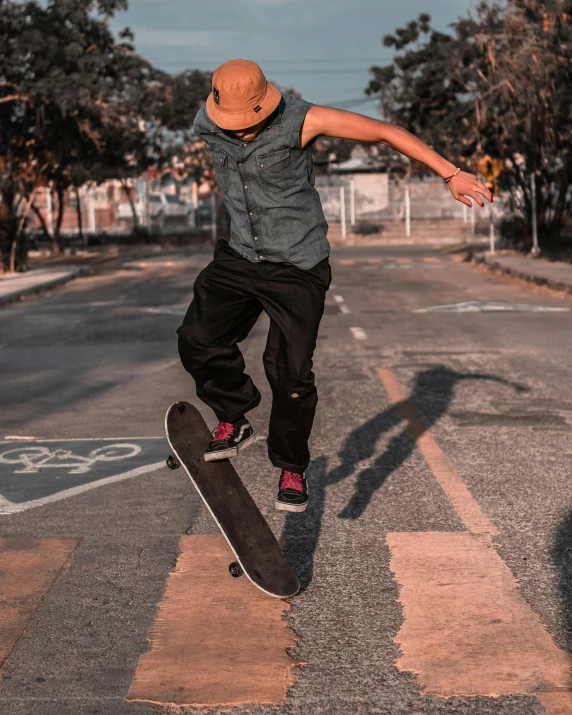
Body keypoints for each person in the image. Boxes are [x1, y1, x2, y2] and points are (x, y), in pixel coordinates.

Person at [177, 59, 492, 513]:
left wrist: (449, 173)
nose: (242, 132)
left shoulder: (305, 119)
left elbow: (386, 131)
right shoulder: (207, 123)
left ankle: (291, 466)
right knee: (197, 339)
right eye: (235, 124)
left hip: (298, 265)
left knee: (290, 371)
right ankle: (234, 415)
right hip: (242, 255)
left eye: (251, 123)